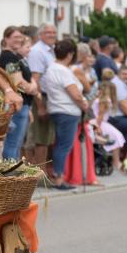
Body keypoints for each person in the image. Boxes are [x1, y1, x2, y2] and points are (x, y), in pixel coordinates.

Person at [40, 38, 89, 190]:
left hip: (56, 108)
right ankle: (59, 178)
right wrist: (85, 105)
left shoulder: (51, 68)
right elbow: (75, 94)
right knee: (64, 145)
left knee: (60, 144)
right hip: (67, 110)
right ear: (70, 54)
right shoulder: (63, 71)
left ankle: (58, 175)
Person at [0, 26, 38, 160]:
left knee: (16, 144)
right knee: (13, 143)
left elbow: (27, 79)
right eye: (15, 37)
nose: (19, 40)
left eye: (20, 37)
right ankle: (10, 170)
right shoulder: (8, 56)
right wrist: (32, 88)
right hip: (17, 105)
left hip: (23, 105)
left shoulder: (15, 56)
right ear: (6, 38)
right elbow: (18, 83)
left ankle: (13, 169)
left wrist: (32, 86)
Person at [26, 23, 57, 171]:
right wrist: (40, 106)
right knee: (40, 139)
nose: (52, 35)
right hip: (40, 98)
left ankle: (43, 173)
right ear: (40, 34)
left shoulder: (51, 50)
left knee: (46, 139)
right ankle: (39, 174)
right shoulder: (38, 51)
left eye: (54, 32)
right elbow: (35, 80)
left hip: (48, 98)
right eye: (48, 32)